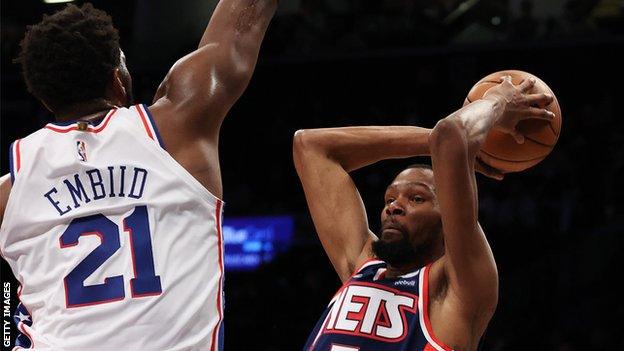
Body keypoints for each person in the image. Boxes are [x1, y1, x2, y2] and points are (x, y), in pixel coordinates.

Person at [0, 1, 276, 350]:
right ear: (117, 80)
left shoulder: (10, 191)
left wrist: (8, 329)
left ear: (44, 98)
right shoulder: (179, 129)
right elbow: (243, 23)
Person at [293, 76, 554, 350]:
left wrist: (499, 102)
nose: (393, 206)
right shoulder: (362, 265)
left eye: (416, 198)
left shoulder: (456, 290)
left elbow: (451, 136)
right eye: (390, 198)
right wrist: (431, 141)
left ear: (447, 220)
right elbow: (310, 146)